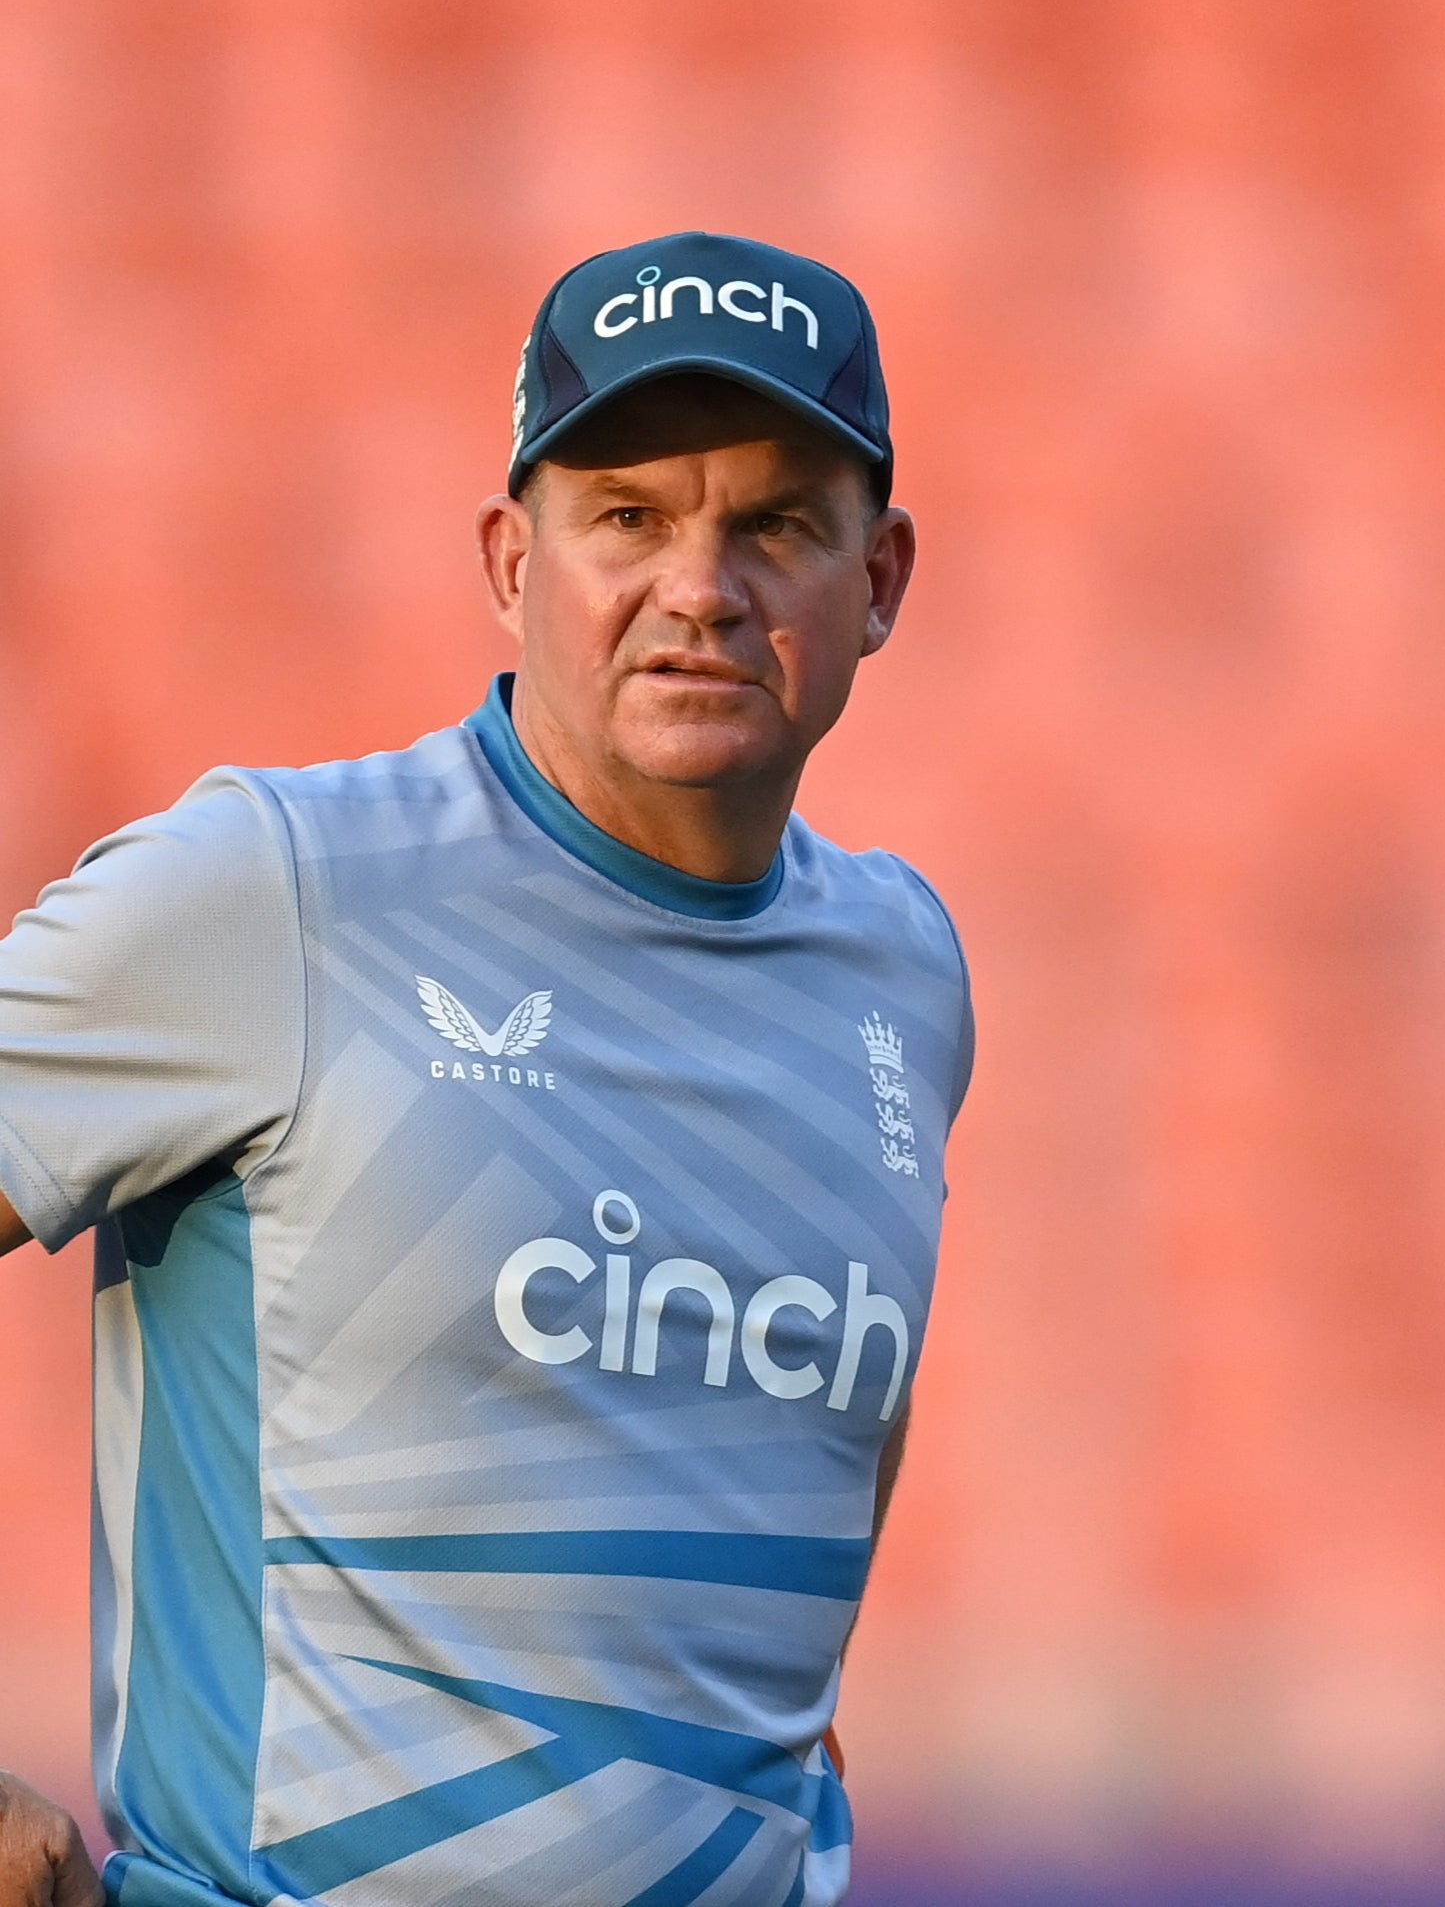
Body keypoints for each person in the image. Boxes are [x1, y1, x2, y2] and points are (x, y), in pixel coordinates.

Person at [0, 231, 970, 1907]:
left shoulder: (905, 972)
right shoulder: (271, 893)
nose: (703, 586)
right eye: (628, 518)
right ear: (508, 559)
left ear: (878, 581)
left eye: (776, 524)